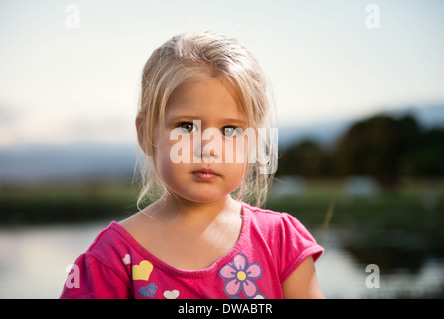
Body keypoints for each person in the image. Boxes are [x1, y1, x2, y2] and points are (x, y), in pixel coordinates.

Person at [60, 31, 324, 299]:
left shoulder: (280, 242)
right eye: (187, 127)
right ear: (146, 133)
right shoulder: (113, 259)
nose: (208, 148)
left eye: (230, 130)